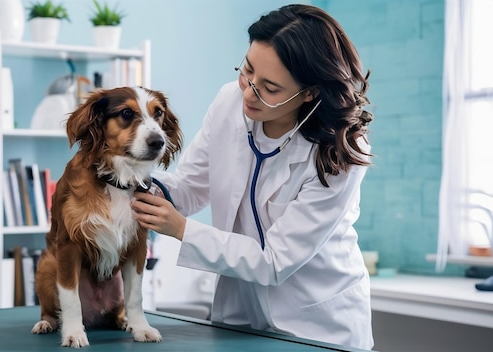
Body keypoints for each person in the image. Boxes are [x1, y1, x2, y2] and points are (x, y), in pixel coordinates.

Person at [132, 4, 374, 350]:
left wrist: (180, 228)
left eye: (269, 88)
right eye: (246, 71)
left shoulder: (341, 152)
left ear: (310, 93)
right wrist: (137, 181)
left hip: (317, 324)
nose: (248, 92)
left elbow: (274, 261)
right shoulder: (229, 101)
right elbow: (189, 187)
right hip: (241, 315)